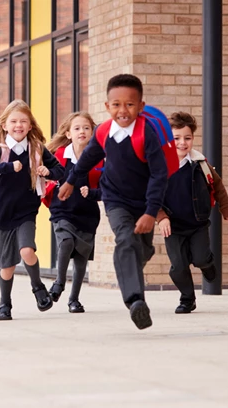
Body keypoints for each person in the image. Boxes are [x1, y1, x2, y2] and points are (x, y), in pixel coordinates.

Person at [59, 74, 168, 330]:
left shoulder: (147, 134)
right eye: (116, 104)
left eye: (130, 104)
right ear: (107, 106)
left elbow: (159, 175)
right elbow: (88, 158)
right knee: (126, 240)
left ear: (141, 106)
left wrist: (151, 212)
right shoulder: (104, 131)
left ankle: (136, 260)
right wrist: (71, 180)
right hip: (115, 198)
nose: (123, 110)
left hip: (144, 202)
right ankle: (135, 301)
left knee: (141, 249)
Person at [0, 100, 65, 321]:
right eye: (14, 121)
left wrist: (47, 171)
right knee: (8, 265)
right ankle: (4, 305)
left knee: (26, 250)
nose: (18, 125)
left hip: (26, 212)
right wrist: (7, 167)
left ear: (31, 126)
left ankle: (38, 288)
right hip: (2, 214)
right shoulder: (0, 151)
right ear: (5, 125)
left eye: (23, 121)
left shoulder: (37, 149)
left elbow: (60, 170)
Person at [156, 111, 228, 313]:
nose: (182, 143)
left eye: (187, 138)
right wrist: (161, 217)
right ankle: (187, 299)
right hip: (172, 227)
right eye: (176, 138)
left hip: (197, 224)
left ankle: (207, 264)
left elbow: (217, 185)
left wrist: (226, 209)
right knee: (178, 267)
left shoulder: (200, 164)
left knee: (200, 258)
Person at [45, 112, 103, 313]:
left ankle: (74, 300)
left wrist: (95, 193)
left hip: (87, 212)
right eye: (77, 128)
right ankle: (59, 283)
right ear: (68, 134)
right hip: (62, 209)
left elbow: (108, 185)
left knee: (81, 258)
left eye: (86, 128)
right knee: (67, 241)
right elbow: (47, 177)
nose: (82, 132)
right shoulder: (59, 155)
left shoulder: (99, 158)